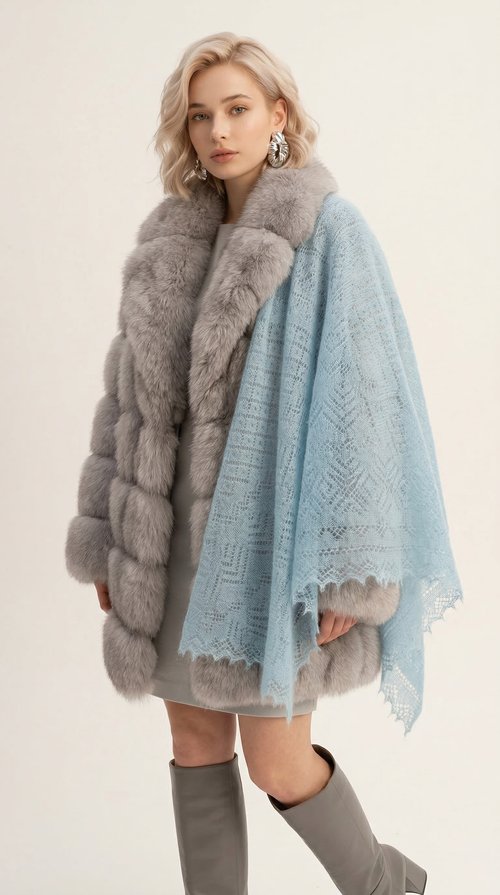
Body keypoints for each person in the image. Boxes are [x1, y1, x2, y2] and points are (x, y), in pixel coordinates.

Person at [63, 29, 468, 894]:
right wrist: (110, 540)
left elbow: (363, 404)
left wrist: (350, 572)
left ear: (279, 115)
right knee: (194, 745)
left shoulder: (328, 232)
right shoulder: (171, 238)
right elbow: (127, 395)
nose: (218, 131)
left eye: (238, 109)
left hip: (270, 550)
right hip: (169, 544)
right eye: (200, 115)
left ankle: (389, 886)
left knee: (277, 761)